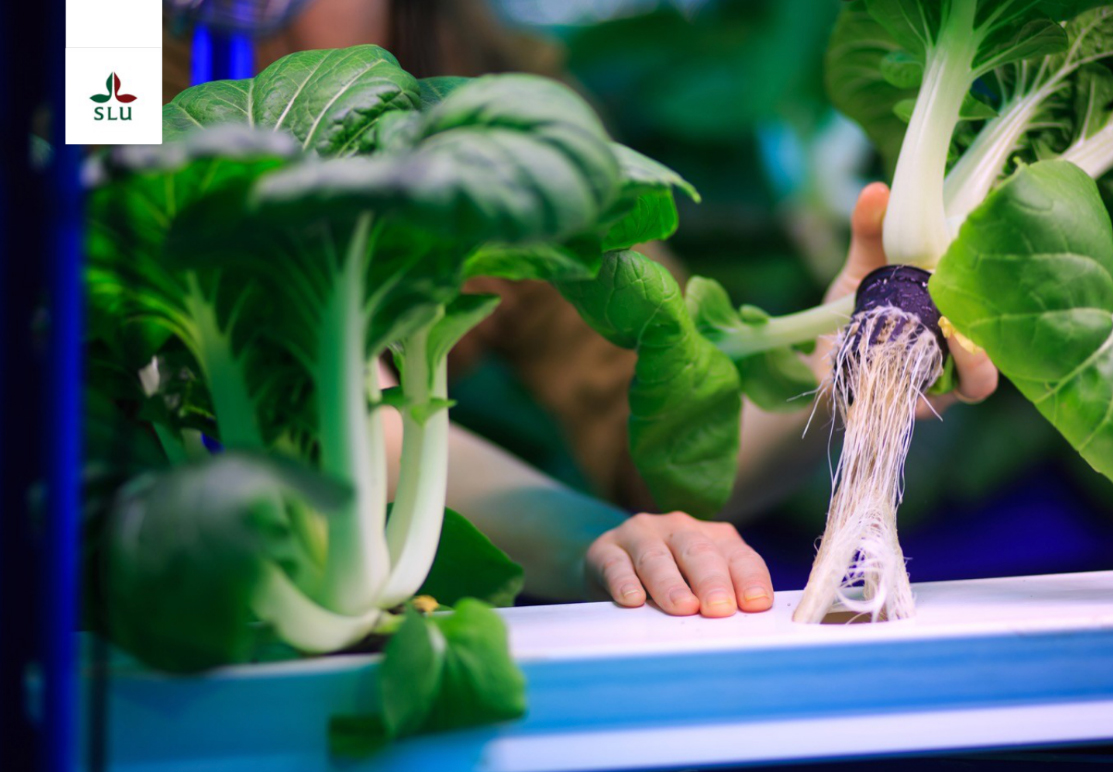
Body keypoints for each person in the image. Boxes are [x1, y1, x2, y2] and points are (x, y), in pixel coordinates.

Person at [165, 0, 999, 618]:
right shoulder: (97, 52)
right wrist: (585, 535)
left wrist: (840, 371)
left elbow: (681, 436)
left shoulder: (498, 94)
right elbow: (314, 395)